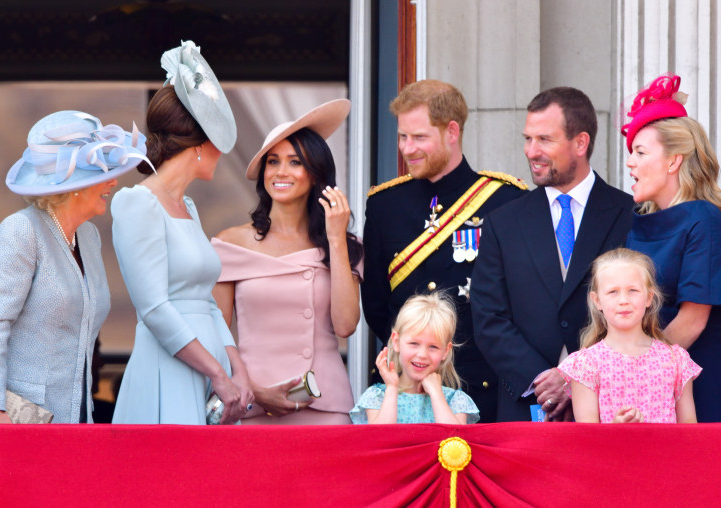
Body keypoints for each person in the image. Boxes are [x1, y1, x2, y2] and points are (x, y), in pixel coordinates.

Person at [0, 110, 145, 423]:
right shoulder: (21, 231)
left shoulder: (88, 237)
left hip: (76, 418)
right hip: (18, 420)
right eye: (102, 175)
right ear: (73, 184)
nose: (113, 182)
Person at [361, 79, 527, 423]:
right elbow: (377, 305)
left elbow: (518, 302)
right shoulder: (384, 205)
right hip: (409, 389)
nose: (407, 149)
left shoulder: (506, 200)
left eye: (419, 137)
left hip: (481, 386)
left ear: (452, 132)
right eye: (402, 137)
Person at [471, 86, 634, 422]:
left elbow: (639, 312)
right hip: (526, 405)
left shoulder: (630, 214)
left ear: (580, 143)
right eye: (528, 139)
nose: (532, 151)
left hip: (612, 406)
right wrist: (541, 380)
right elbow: (489, 318)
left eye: (544, 139)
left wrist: (575, 375)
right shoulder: (503, 222)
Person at [111, 41, 253, 425]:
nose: (221, 153)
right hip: (168, 369)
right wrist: (218, 373)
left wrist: (237, 369)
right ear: (199, 145)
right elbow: (154, 308)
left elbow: (206, 301)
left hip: (211, 374)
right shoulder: (136, 203)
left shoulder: (187, 207)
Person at [212, 99, 363, 425]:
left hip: (326, 408)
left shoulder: (345, 245)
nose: (281, 172)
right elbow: (216, 336)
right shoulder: (230, 242)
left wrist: (336, 238)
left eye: (295, 162)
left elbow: (346, 325)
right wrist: (253, 390)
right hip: (253, 404)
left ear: (315, 174)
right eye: (273, 161)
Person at [621, 73, 721, 422]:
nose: (630, 162)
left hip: (697, 391)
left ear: (673, 161)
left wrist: (631, 372)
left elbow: (692, 320)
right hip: (651, 391)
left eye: (640, 152)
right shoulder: (640, 222)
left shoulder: (704, 219)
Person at [557, 248, 700, 423]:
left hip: (665, 451)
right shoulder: (585, 365)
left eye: (632, 290)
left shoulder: (676, 360)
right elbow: (587, 439)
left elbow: (690, 433)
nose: (623, 300)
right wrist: (617, 430)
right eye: (613, 292)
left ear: (649, 297)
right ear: (597, 301)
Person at [350, 292, 479, 424]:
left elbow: (455, 439)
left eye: (433, 347)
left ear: (446, 351)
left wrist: (436, 394)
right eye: (414, 343)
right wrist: (392, 388)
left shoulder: (455, 400)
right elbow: (382, 439)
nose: (422, 354)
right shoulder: (377, 397)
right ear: (396, 342)